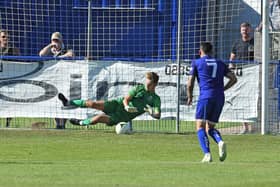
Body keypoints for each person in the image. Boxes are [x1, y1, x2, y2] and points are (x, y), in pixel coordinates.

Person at [187, 42, 237, 163]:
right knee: (211, 127)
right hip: (219, 97)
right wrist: (223, 89)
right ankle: (220, 141)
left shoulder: (197, 62)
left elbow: (190, 83)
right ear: (212, 52)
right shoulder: (220, 63)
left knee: (200, 126)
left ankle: (207, 154)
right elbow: (234, 78)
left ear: (200, 52)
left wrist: (189, 96)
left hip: (205, 97)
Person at [58, 72, 161, 127]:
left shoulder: (155, 99)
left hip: (121, 117)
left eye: (149, 81)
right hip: (118, 104)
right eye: (146, 80)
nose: (146, 83)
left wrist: (150, 111)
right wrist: (126, 106)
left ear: (154, 84)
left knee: (98, 118)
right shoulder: (139, 88)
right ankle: (68, 102)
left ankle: (80, 123)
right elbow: (126, 99)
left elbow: (157, 115)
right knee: (93, 104)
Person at [39, 32, 74, 129]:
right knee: (54, 101)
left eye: (57, 40)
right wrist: (50, 46)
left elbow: (70, 54)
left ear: (61, 41)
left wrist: (58, 58)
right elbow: (41, 54)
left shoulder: (66, 49)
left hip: (65, 78)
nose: (55, 42)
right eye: (53, 40)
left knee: (64, 101)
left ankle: (63, 123)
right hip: (53, 79)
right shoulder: (50, 50)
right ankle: (58, 124)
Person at [229, 22, 254, 133]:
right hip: (240, 75)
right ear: (240, 31)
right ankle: (245, 126)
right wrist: (231, 66)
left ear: (250, 30)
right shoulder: (237, 43)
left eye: (246, 29)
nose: (244, 31)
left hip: (252, 74)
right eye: (243, 29)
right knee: (241, 98)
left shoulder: (255, 42)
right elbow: (232, 57)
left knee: (253, 98)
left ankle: (255, 125)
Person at [0, 29, 20, 127]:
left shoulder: (13, 49)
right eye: (3, 37)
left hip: (10, 80)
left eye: (7, 37)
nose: (6, 39)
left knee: (10, 101)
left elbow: (19, 62)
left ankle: (8, 123)